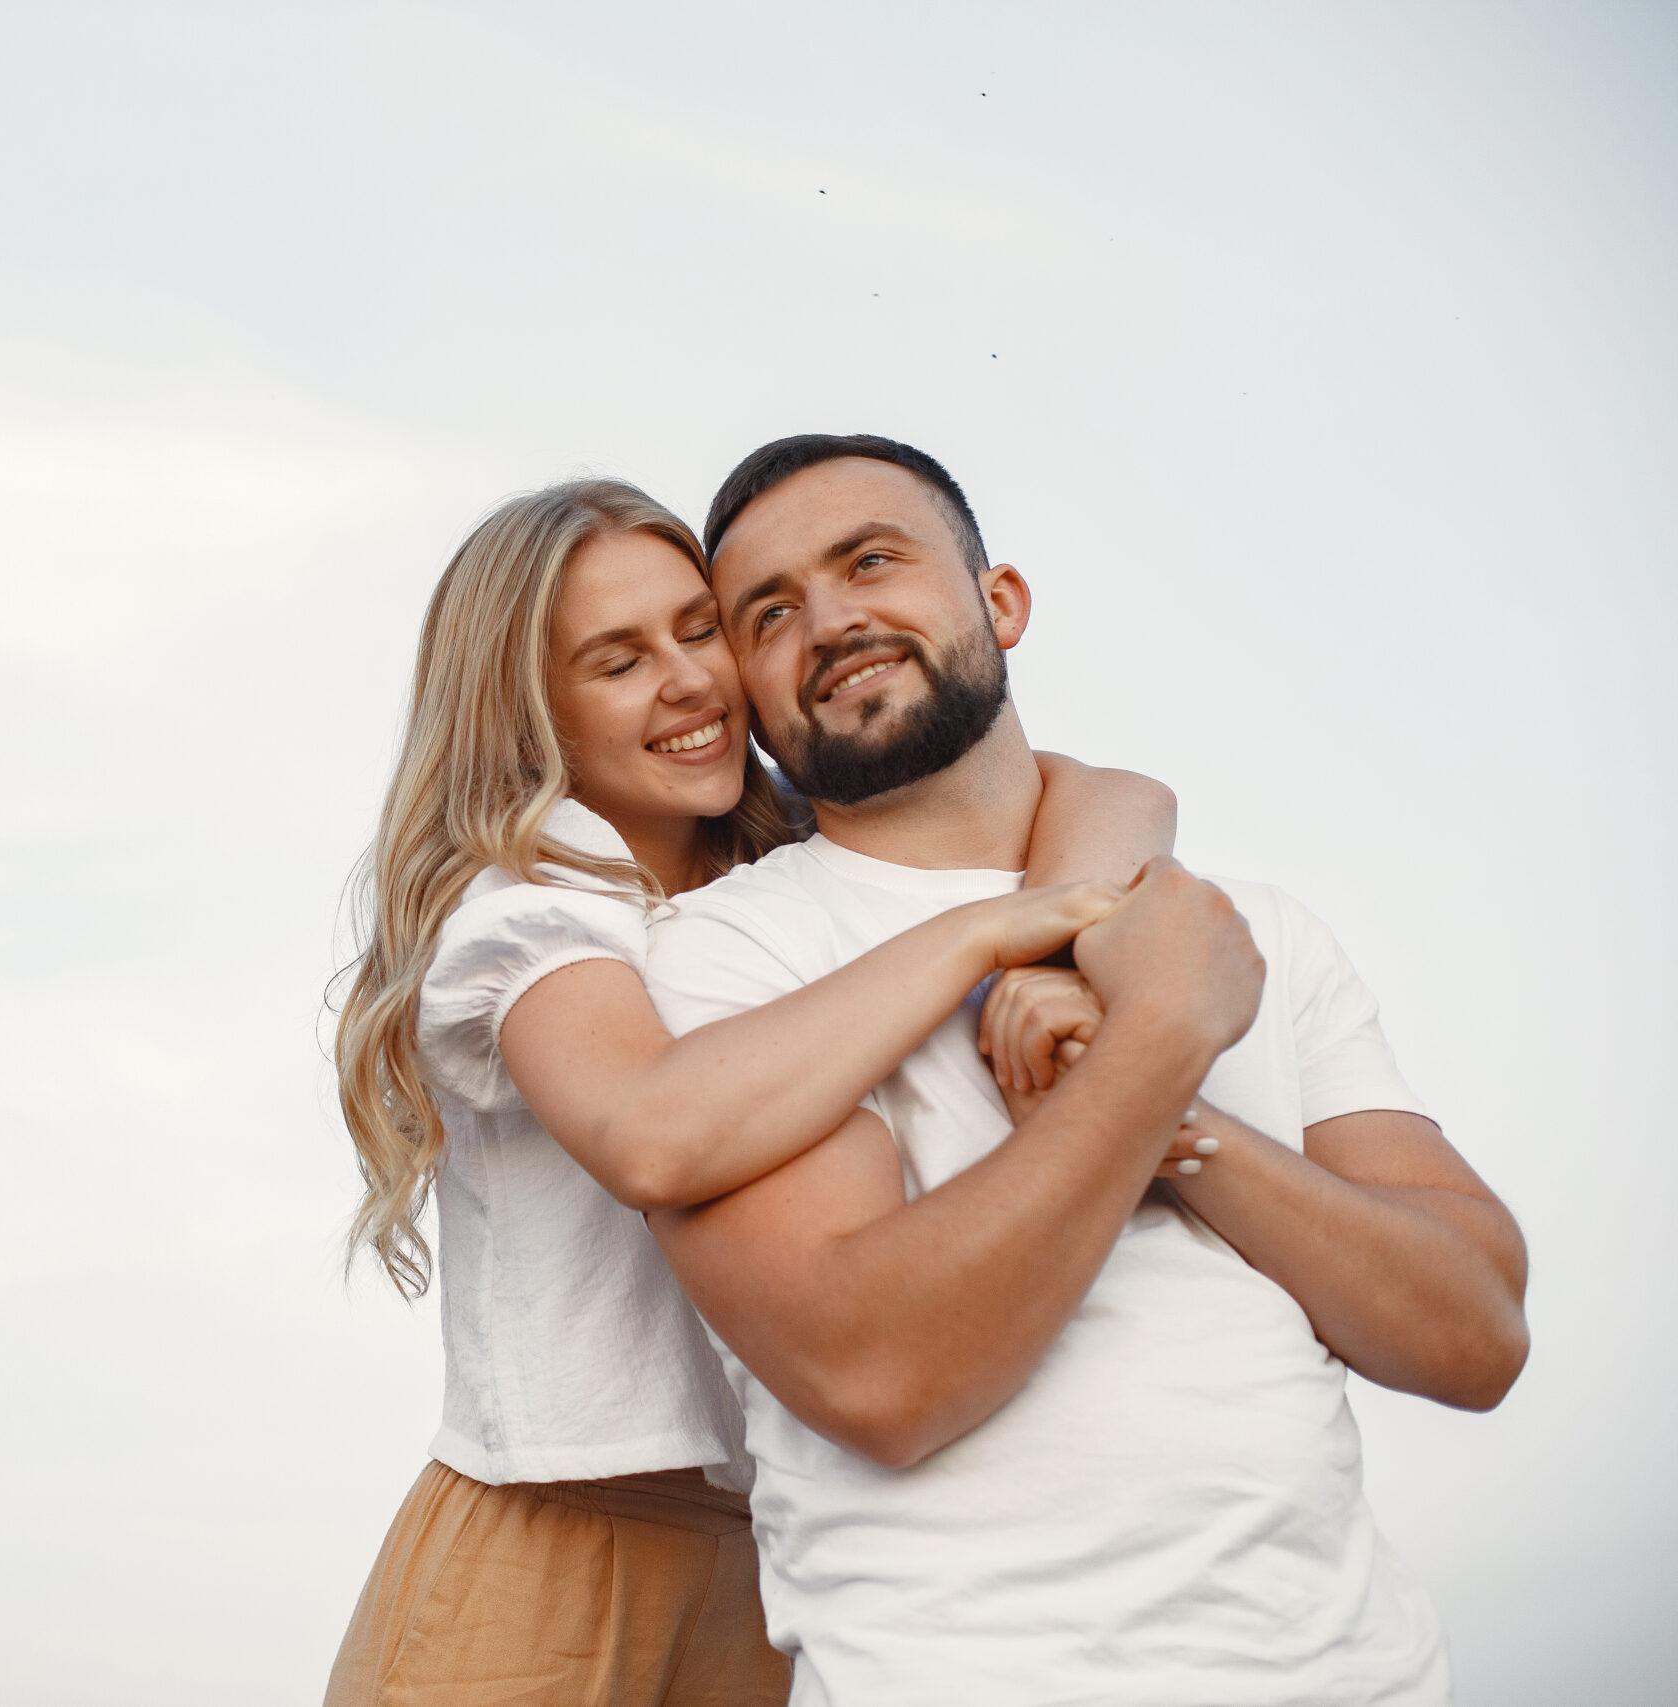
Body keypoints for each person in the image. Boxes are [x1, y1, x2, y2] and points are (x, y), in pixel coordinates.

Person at [643, 434, 1531, 1705]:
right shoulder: (731, 960)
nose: (829, 621)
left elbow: (1474, 1336)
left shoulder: (1245, 934)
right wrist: (1158, 1047)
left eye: (871, 561)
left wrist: (1157, 1100)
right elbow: (876, 1376)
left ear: (999, 602)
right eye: (768, 612)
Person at [323, 478, 1181, 1704]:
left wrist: (1050, 951)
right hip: (550, 1540)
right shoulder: (529, 909)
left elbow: (1111, 793)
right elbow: (649, 1134)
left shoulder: (777, 891)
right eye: (616, 661)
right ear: (531, 719)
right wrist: (990, 935)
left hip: (768, 1560)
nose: (688, 682)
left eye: (698, 629)